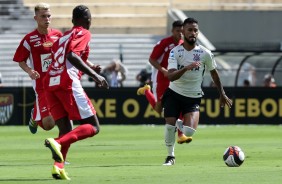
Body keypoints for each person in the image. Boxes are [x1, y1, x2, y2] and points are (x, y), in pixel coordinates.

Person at [43, 5, 108, 180]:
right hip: (67, 82)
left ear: (72, 20)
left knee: (66, 128)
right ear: (87, 20)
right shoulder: (84, 32)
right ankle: (56, 142)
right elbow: (72, 55)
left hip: (50, 83)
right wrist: (95, 75)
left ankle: (58, 167)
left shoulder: (63, 37)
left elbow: (65, 56)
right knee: (93, 126)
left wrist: (89, 65)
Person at [162, 17, 232, 166]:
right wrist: (186, 68)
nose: (193, 33)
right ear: (183, 32)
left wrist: (222, 94)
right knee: (169, 125)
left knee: (188, 132)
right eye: (190, 30)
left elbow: (214, 73)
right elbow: (171, 76)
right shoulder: (175, 52)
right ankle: (170, 156)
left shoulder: (205, 53)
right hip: (174, 93)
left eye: (195, 30)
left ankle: (177, 123)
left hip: (193, 97)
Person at [137, 20, 190, 144]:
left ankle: (181, 135)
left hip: (175, 80)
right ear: (172, 31)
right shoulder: (164, 43)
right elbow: (152, 59)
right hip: (161, 79)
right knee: (158, 109)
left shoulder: (184, 44)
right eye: (178, 31)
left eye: (182, 31)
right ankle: (146, 91)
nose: (180, 34)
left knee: (177, 106)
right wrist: (164, 70)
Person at [13, 3, 63, 134]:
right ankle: (34, 114)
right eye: (43, 16)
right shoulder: (29, 39)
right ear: (36, 18)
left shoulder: (58, 35)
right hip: (41, 84)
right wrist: (29, 71)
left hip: (58, 82)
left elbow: (67, 55)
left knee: (63, 118)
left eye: (48, 16)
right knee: (48, 125)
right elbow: (20, 60)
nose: (47, 19)